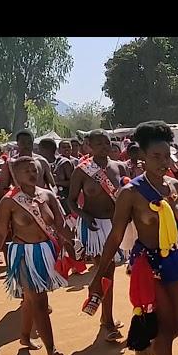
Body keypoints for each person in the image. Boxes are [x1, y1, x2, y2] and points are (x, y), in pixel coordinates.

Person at [87, 121, 178, 355]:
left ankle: (144, 353)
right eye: (156, 157)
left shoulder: (175, 185)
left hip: (176, 261)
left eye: (167, 156)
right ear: (141, 156)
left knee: (176, 326)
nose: (164, 163)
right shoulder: (131, 193)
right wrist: (99, 276)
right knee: (163, 332)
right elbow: (115, 237)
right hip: (149, 267)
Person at [0, 156, 75, 355]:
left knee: (31, 299)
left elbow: (60, 224)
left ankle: (24, 336)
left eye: (34, 170)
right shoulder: (9, 201)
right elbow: (0, 233)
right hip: (24, 255)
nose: (32, 174)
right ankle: (52, 351)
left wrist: (73, 245)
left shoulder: (47, 195)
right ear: (15, 175)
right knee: (40, 302)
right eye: (26, 171)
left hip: (46, 251)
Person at [68, 129, 128, 341]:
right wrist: (84, 215)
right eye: (99, 142)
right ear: (89, 146)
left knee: (108, 272)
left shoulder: (119, 167)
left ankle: (102, 310)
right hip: (93, 228)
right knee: (106, 271)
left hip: (114, 226)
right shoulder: (82, 171)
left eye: (107, 141)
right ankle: (108, 320)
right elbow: (71, 201)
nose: (104, 145)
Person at [0, 130, 56, 203]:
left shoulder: (41, 161)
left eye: (29, 143)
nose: (26, 146)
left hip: (40, 201)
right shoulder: (11, 163)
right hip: (19, 203)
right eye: (23, 143)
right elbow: (2, 186)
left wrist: (53, 196)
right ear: (17, 143)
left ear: (32, 143)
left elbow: (52, 185)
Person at [54, 140, 77, 215]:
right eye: (64, 147)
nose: (66, 149)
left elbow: (73, 182)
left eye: (68, 147)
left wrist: (56, 182)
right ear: (59, 149)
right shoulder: (56, 161)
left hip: (74, 195)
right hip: (62, 195)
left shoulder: (77, 161)